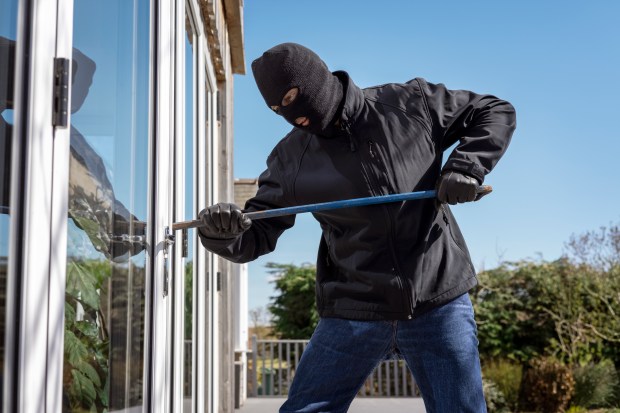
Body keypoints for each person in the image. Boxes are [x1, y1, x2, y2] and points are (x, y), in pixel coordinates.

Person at [197, 42, 516, 413]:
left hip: (437, 300)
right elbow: (255, 234)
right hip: (353, 309)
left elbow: (494, 110)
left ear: (316, 79)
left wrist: (466, 166)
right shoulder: (289, 159)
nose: (292, 114)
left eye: (292, 97)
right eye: (276, 109)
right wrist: (222, 233)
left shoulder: (409, 104)